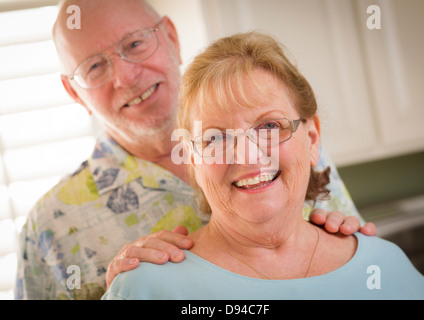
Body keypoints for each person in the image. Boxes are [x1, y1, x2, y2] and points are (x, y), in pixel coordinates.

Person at [15, 0, 374, 300]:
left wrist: (344, 241)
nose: (125, 76)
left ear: (171, 37)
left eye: (135, 44)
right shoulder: (50, 226)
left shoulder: (283, 140)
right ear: (75, 92)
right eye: (94, 66)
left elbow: (357, 268)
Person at [102, 31, 424, 300]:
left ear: (313, 138)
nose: (246, 156)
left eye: (269, 127)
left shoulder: (385, 267)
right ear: (193, 160)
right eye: (215, 139)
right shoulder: (145, 289)